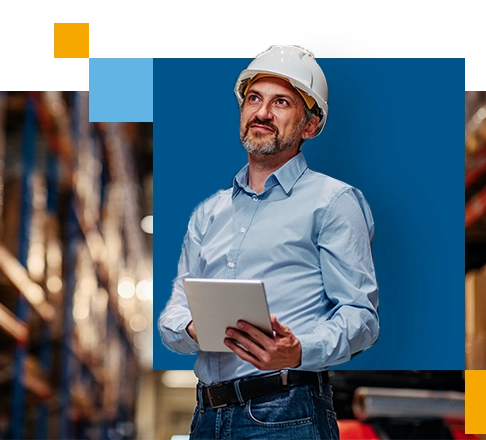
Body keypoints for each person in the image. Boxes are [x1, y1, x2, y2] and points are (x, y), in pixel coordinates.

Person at [158, 45, 379, 439]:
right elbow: (176, 308)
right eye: (254, 99)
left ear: (309, 126)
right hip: (207, 417)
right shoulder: (208, 214)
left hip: (286, 414)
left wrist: (299, 350)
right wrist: (193, 327)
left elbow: (361, 317)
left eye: (281, 102)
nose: (261, 112)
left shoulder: (333, 202)